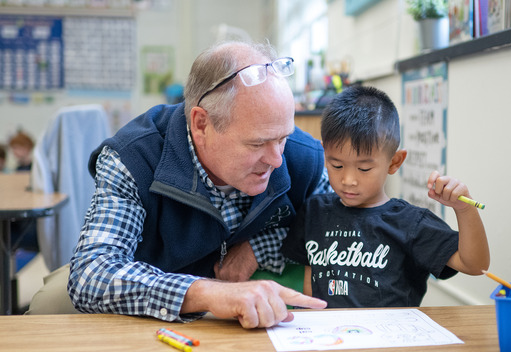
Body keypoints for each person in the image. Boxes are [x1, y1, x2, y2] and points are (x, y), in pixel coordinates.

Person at [67, 40, 329, 328]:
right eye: (257, 143)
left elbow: (343, 227)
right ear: (202, 124)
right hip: (153, 321)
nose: (277, 160)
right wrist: (206, 292)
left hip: (248, 327)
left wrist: (260, 246)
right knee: (47, 306)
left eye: (283, 138)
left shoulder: (305, 157)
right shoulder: (133, 159)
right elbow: (91, 275)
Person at [281, 85, 490, 308]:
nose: (348, 179)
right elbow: (310, 278)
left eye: (364, 169)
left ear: (394, 162)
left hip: (389, 339)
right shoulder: (314, 211)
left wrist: (464, 209)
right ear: (325, 153)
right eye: (337, 165)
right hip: (330, 338)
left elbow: (476, 265)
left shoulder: (410, 223)